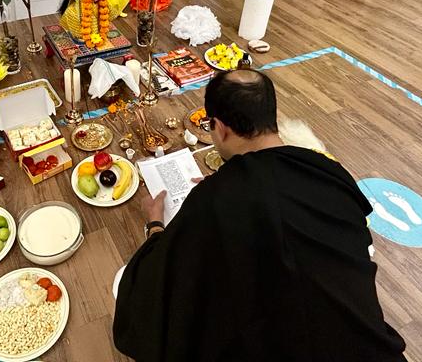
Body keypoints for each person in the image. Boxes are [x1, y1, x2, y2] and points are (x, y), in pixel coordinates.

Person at [113, 69, 407, 362]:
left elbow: (158, 287)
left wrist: (155, 225)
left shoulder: (214, 198)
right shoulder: (327, 170)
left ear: (221, 128)